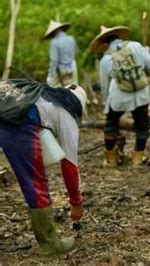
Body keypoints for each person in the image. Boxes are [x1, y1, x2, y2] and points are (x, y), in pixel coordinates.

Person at [0, 79, 87, 255]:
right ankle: (50, 244)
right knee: (35, 180)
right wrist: (76, 202)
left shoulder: (41, 94)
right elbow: (69, 165)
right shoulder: (67, 115)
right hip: (19, 118)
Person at [90, 25, 150, 168]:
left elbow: (105, 85)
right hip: (141, 93)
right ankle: (137, 160)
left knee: (111, 126)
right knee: (142, 127)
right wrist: (147, 53)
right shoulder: (136, 46)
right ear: (119, 36)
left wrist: (106, 102)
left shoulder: (105, 59)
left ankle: (111, 161)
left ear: (104, 43)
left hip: (118, 96)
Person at [43, 20, 78, 87]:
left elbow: (54, 60)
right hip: (72, 67)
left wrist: (51, 75)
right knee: (73, 89)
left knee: (52, 85)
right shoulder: (71, 39)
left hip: (62, 69)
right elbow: (75, 53)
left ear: (54, 32)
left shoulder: (54, 42)